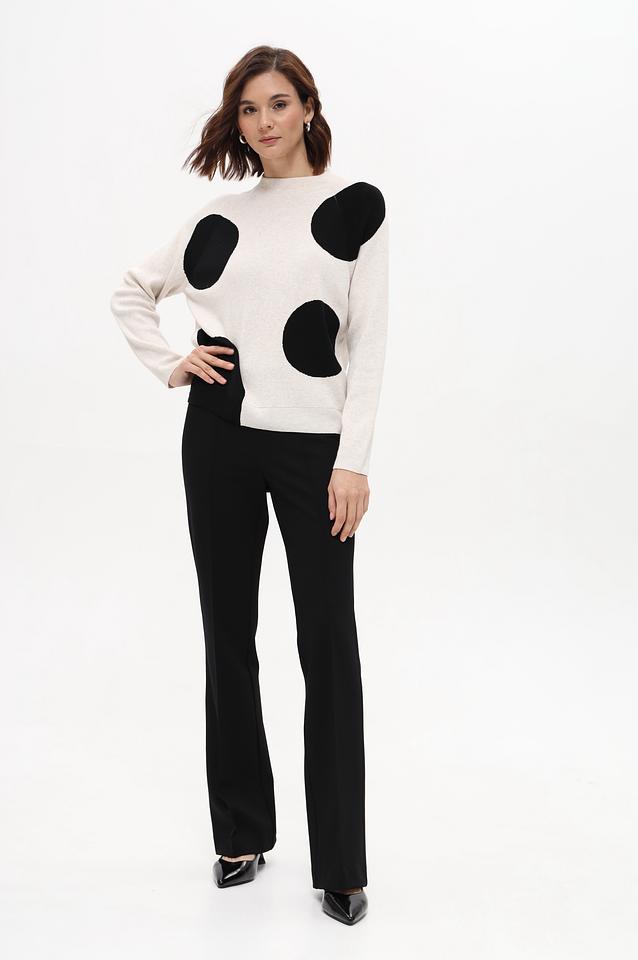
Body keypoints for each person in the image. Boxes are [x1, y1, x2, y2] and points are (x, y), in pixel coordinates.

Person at [110, 44, 388, 927]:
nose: (264, 122)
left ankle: (341, 864)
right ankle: (241, 835)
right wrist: (173, 362)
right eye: (248, 109)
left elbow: (370, 342)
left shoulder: (356, 208)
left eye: (278, 103)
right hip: (219, 437)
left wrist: (353, 460)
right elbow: (131, 291)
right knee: (228, 633)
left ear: (307, 107)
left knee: (328, 642)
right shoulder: (216, 218)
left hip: (315, 451)